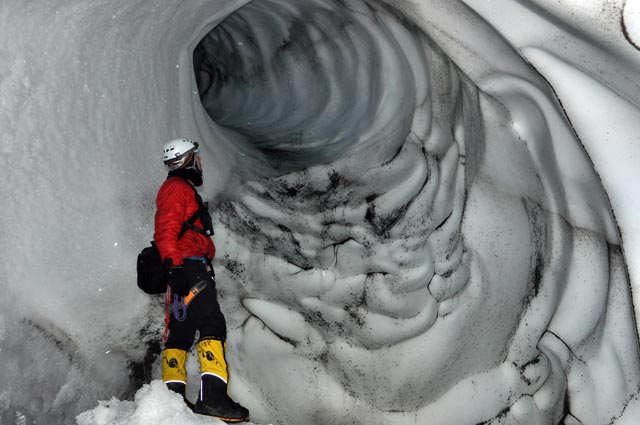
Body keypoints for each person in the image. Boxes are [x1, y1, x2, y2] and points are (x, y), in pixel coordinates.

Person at [154, 138, 249, 423]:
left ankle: (173, 397)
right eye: (196, 157)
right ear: (186, 160)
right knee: (212, 324)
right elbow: (165, 229)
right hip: (189, 268)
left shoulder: (177, 189)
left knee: (181, 332)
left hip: (184, 268)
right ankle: (214, 399)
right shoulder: (176, 189)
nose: (200, 163)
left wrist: (174, 268)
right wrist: (175, 266)